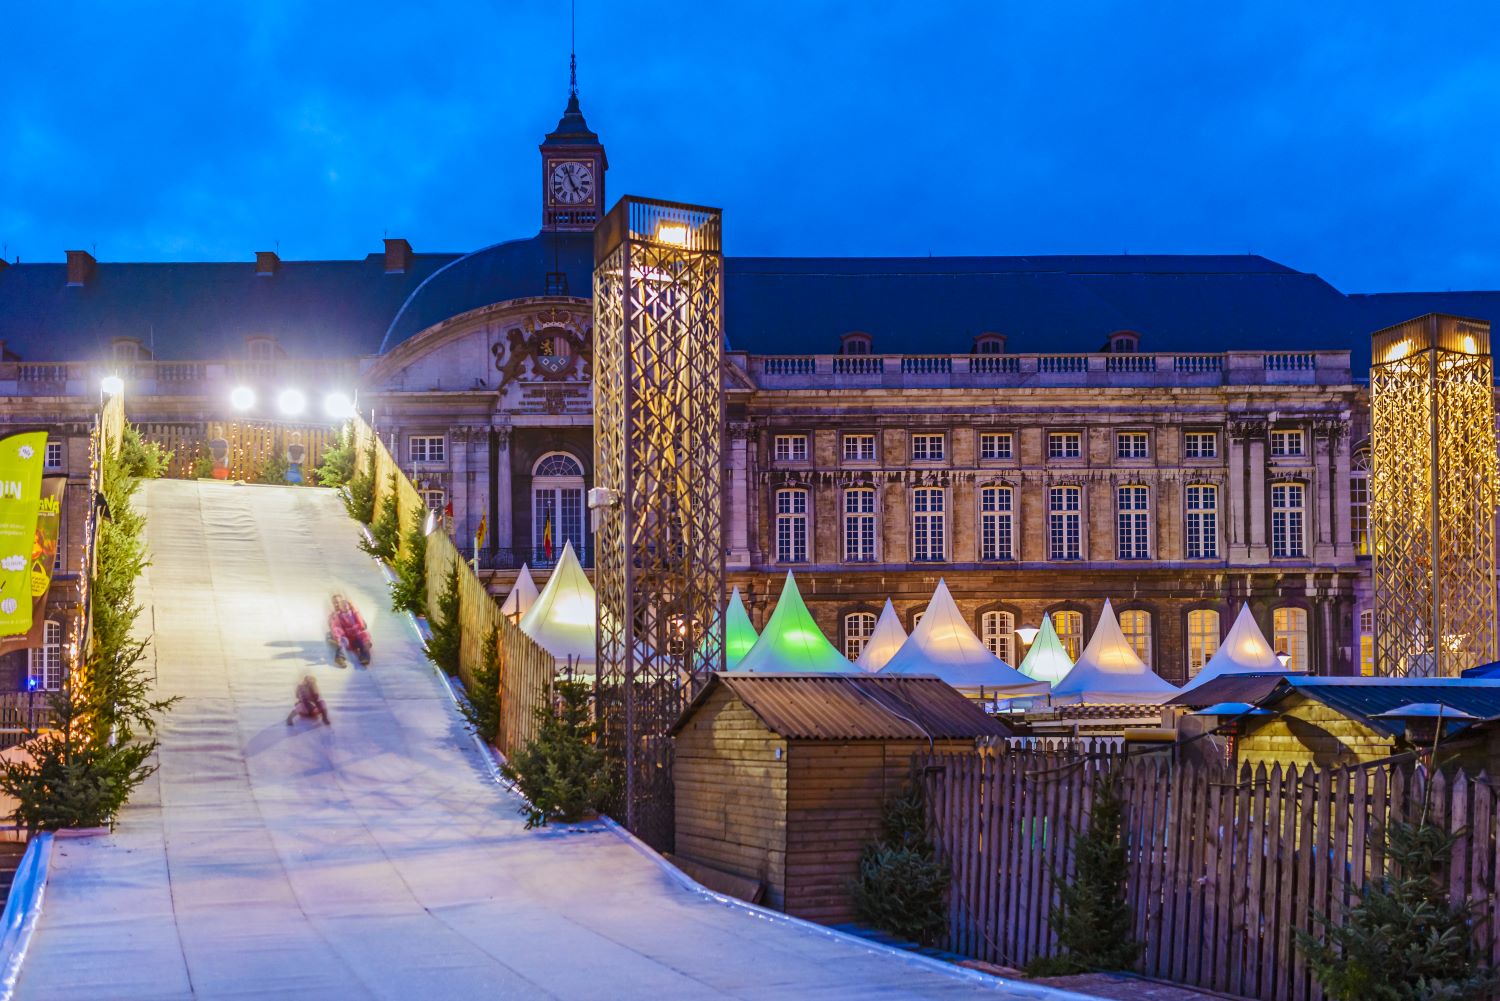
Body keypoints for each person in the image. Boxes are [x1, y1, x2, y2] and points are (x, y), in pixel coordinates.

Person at [328, 593, 372, 666]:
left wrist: (361, 625)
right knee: (341, 639)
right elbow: (335, 627)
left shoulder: (353, 611)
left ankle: (365, 657)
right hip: (343, 636)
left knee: (362, 641)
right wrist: (337, 634)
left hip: (355, 636)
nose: (336, 604)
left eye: (338, 602)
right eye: (334, 603)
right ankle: (339, 657)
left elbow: (362, 623)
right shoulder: (335, 615)